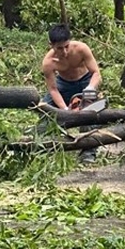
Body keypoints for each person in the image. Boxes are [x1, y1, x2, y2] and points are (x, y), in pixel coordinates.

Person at [41, 24, 102, 162]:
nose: (64, 51)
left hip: (85, 82)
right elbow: (53, 89)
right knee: (44, 110)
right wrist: (64, 109)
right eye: (59, 48)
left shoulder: (81, 49)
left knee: (90, 113)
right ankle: (45, 146)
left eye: (66, 46)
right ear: (51, 45)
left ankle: (88, 151)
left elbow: (96, 73)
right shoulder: (48, 63)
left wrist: (90, 88)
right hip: (63, 85)